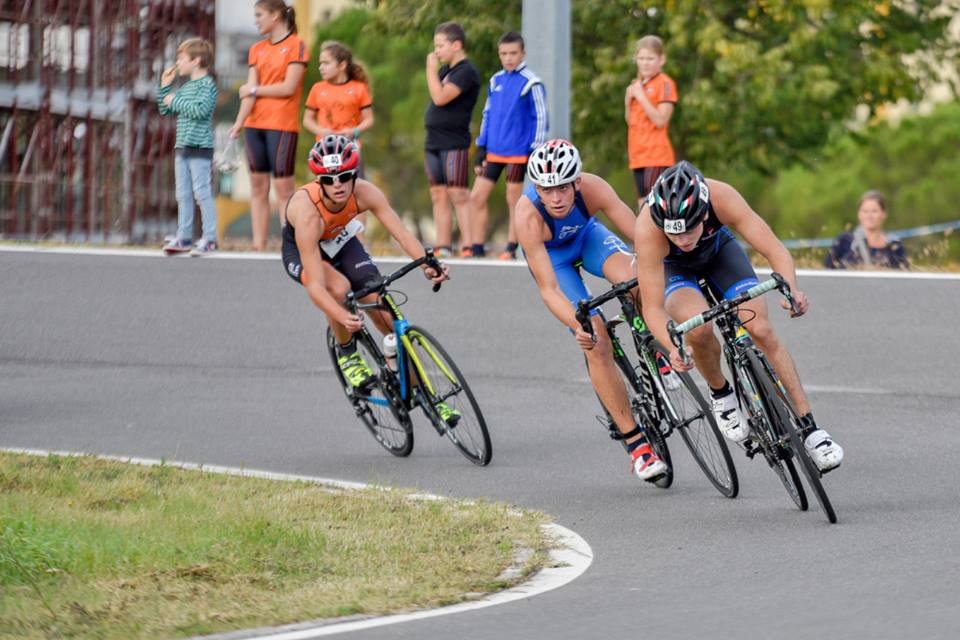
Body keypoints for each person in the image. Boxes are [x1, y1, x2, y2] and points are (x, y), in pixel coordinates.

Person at [633, 161, 843, 472]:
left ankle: (811, 430)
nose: (683, 240)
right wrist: (672, 346)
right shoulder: (648, 226)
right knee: (699, 328)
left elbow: (775, 250)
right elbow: (651, 307)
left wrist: (792, 292)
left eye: (690, 229)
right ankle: (721, 394)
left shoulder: (722, 197)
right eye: (674, 234)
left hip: (720, 254)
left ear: (704, 212)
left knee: (761, 330)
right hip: (676, 272)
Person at [515, 139, 669, 482]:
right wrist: (577, 324)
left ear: (577, 183)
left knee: (636, 278)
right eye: (546, 189)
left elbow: (641, 239)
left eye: (562, 189)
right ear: (536, 187)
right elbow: (549, 289)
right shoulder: (526, 216)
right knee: (597, 339)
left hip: (588, 237)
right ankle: (638, 447)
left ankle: (655, 346)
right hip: (556, 263)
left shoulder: (595, 189)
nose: (555, 198)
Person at [281, 135, 457, 423]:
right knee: (339, 288)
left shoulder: (365, 192)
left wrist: (427, 264)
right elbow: (315, 284)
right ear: (319, 181)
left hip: (340, 240)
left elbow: (401, 233)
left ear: (355, 175)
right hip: (305, 251)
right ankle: (348, 352)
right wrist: (339, 313)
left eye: (345, 177)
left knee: (383, 311)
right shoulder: (307, 213)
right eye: (328, 179)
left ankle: (427, 398)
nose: (337, 185)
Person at [228, 0, 308, 251]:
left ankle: (289, 245)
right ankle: (258, 245)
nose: (256, 20)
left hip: (282, 126)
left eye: (260, 15)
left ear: (275, 16)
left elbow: (288, 88)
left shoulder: (297, 46)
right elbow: (248, 94)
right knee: (257, 186)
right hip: (255, 126)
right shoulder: (256, 49)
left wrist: (253, 88)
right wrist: (239, 122)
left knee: (284, 188)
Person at [470, 31, 548, 260]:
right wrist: (481, 147)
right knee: (477, 196)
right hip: (494, 151)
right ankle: (476, 246)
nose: (508, 58)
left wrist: (535, 149)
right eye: (504, 54)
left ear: (522, 53)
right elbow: (487, 114)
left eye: (513, 53)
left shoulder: (532, 82)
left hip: (519, 153)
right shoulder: (496, 80)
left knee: (513, 199)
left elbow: (541, 117)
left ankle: (510, 247)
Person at [303, 40, 374, 241]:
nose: (320, 67)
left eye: (326, 63)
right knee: (324, 194)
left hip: (350, 151)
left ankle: (359, 240)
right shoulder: (317, 88)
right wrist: (320, 130)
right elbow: (307, 119)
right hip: (324, 153)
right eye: (320, 63)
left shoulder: (358, 88)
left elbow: (369, 119)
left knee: (355, 193)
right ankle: (327, 237)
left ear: (341, 65)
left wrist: (355, 131)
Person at [424, 22, 481, 258]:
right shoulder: (445, 71)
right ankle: (443, 244)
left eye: (441, 45)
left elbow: (440, 98)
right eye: (435, 46)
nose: (436, 51)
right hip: (433, 140)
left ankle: (468, 244)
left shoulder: (465, 72)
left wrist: (429, 68)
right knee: (438, 193)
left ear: (456, 45)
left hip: (454, 141)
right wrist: (436, 70)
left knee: (458, 193)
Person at [159, 38, 219, 256]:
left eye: (181, 59)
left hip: (200, 147)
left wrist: (174, 101)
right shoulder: (185, 87)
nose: (177, 63)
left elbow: (200, 110)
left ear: (196, 61)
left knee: (202, 192)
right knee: (182, 194)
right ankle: (184, 237)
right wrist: (165, 87)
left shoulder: (207, 85)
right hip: (182, 146)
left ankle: (210, 237)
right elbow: (165, 108)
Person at [625, 35, 677, 208]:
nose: (645, 63)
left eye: (650, 58)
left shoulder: (665, 83)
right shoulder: (637, 84)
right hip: (637, 156)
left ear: (661, 59)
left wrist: (641, 96)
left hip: (656, 156)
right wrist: (628, 101)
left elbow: (661, 120)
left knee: (654, 207)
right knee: (642, 207)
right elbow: (630, 120)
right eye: (641, 58)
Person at [824, 190, 908, 269]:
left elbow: (903, 276)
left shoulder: (894, 244)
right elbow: (827, 272)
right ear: (859, 214)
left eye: (874, 211)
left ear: (884, 214)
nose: (869, 216)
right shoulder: (845, 240)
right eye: (865, 211)